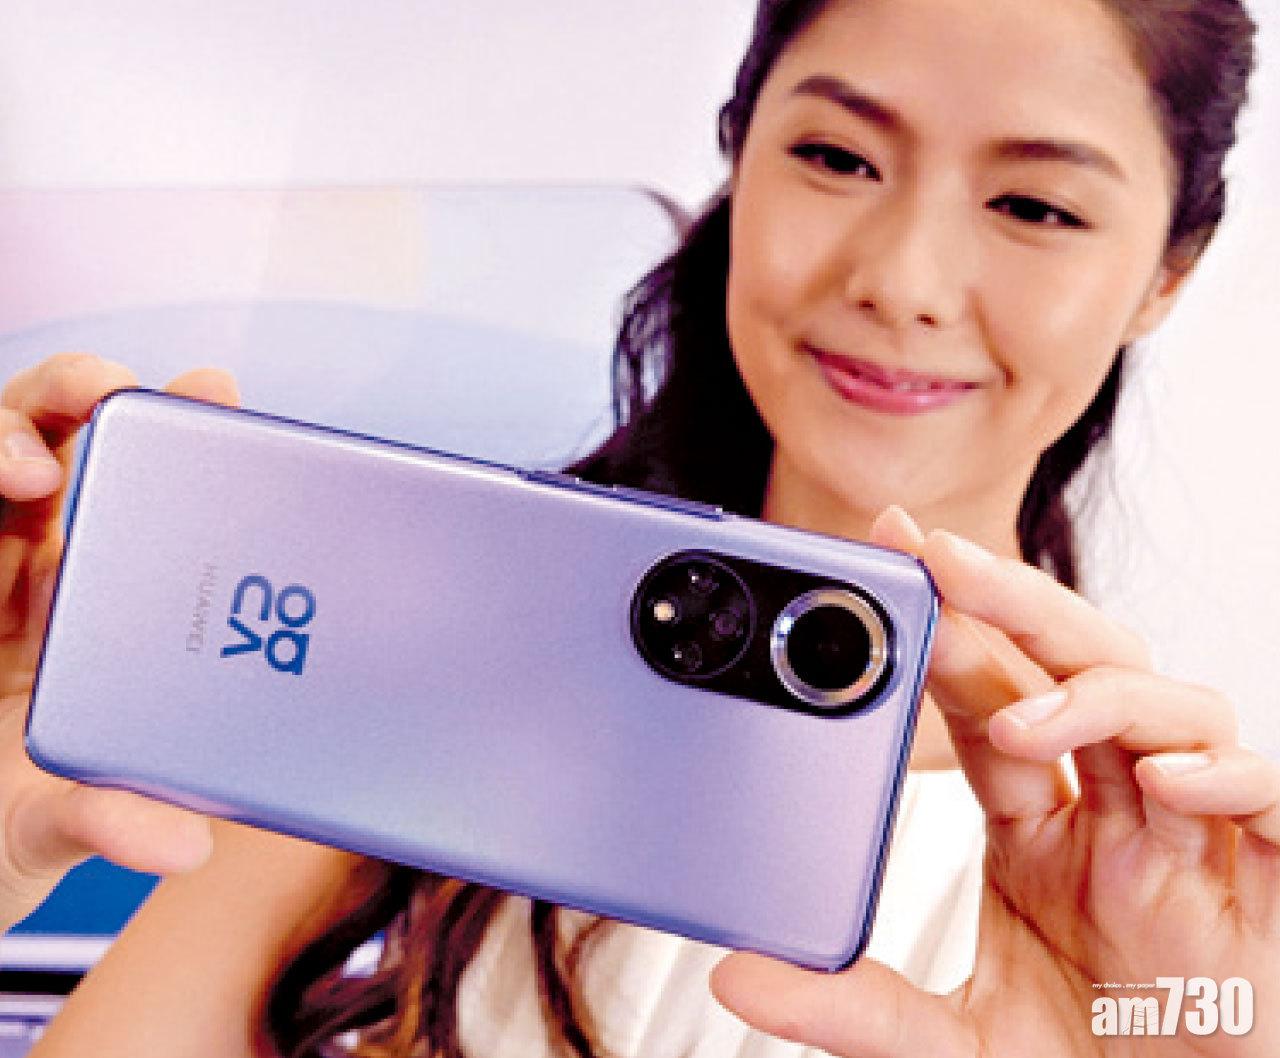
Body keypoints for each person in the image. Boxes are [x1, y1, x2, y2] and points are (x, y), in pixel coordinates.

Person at [0, 0, 1275, 1054]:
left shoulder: (1177, 916)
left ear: (1166, 273)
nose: (900, 280)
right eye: (836, 157)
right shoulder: (395, 691)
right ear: (738, 153)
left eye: (1035, 207)